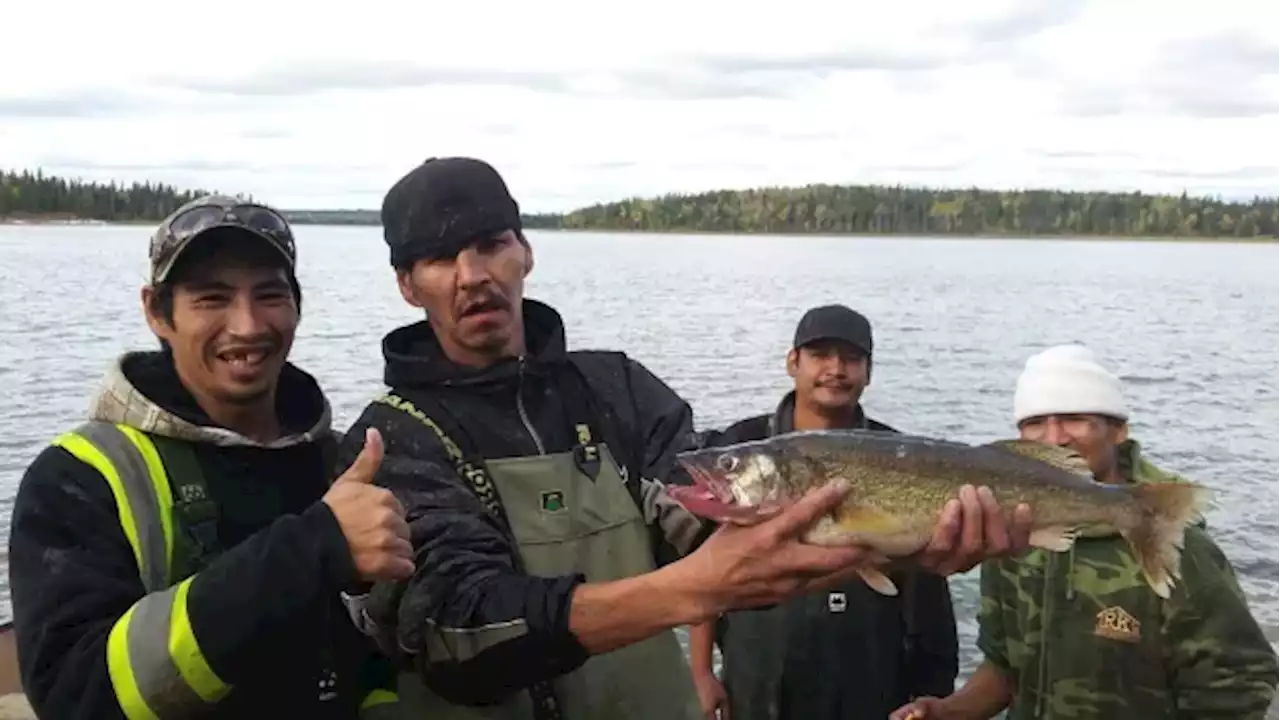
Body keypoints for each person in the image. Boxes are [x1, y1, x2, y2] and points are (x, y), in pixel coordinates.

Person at [336, 156, 1034, 720]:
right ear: (406, 284)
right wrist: (682, 595)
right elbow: (458, 633)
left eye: (490, 244)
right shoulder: (390, 440)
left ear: (525, 252)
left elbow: (722, 538)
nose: (473, 275)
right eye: (438, 257)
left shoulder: (617, 392)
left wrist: (909, 543)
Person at [7, 196, 411, 719]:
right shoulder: (80, 477)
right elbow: (75, 693)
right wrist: (312, 548)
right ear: (157, 311)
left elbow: (377, 662)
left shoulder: (337, 461)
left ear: (297, 306)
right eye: (211, 298)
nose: (246, 326)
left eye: (269, 294)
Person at [891, 344, 1280, 720]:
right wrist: (951, 711)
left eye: (1075, 418)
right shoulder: (1011, 535)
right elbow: (1007, 665)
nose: (1056, 437)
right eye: (1035, 423)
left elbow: (1241, 682)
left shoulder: (1177, 543)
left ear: (1119, 430)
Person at [687, 304, 959, 720]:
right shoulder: (741, 449)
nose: (836, 369)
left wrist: (931, 691)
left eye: (851, 358)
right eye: (820, 355)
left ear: (868, 372)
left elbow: (929, 593)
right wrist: (702, 672)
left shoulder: (905, 455)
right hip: (758, 675)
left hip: (871, 676)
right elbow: (701, 570)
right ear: (792, 362)